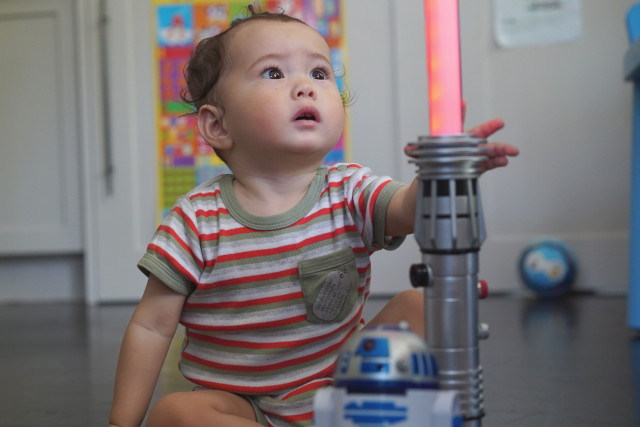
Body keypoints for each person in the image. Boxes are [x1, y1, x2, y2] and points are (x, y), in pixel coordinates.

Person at [108, 7, 518, 427]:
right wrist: (123, 422)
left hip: (349, 386)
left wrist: (443, 171)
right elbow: (151, 328)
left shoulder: (349, 190)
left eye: (320, 73)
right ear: (217, 125)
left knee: (420, 306)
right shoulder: (195, 221)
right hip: (243, 404)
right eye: (273, 73)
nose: (306, 86)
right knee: (176, 413)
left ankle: (404, 416)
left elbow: (407, 210)